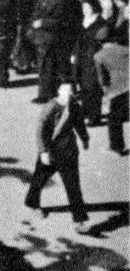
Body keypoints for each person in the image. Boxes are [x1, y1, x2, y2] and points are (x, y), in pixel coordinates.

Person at [24, 82, 90, 231]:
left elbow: (79, 123)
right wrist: (43, 151)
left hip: (68, 151)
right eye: (66, 91)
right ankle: (32, 203)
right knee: (39, 179)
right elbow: (40, 129)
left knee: (73, 186)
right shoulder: (51, 107)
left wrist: (85, 139)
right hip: (51, 151)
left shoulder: (74, 106)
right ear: (59, 91)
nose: (69, 94)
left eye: (71, 91)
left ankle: (79, 220)